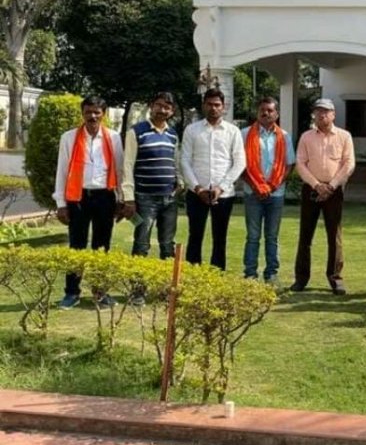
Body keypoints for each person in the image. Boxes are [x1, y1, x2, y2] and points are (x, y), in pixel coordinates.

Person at [53, 95, 124, 309]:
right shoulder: (69, 138)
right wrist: (61, 203)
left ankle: (100, 292)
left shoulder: (113, 137)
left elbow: (119, 170)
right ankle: (72, 292)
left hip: (105, 196)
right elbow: (62, 170)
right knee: (76, 245)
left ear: (103, 114)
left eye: (96, 112)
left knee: (102, 246)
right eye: (88, 112)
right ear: (82, 113)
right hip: (78, 197)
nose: (92, 116)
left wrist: (121, 199)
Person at [292, 98, 355, 295]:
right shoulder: (306, 137)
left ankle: (335, 278)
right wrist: (317, 185)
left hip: (334, 191)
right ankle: (301, 278)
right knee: (305, 235)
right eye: (318, 111)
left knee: (334, 236)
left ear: (333, 114)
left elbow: (349, 163)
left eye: (326, 111)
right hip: (311, 189)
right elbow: (300, 164)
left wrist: (332, 185)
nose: (321, 115)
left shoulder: (344, 136)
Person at [181, 87, 246, 271]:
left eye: (217, 105)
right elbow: (184, 160)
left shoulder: (233, 131)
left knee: (220, 237)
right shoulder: (192, 130)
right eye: (209, 104)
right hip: (197, 192)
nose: (213, 108)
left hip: (223, 194)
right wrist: (197, 188)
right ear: (203, 105)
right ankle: (193, 275)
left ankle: (217, 276)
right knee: (195, 235)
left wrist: (221, 187)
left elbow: (240, 162)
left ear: (223, 107)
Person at [241, 96, 296, 284]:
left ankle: (271, 273)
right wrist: (256, 186)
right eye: (262, 110)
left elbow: (289, 164)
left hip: (276, 194)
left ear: (276, 114)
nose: (266, 113)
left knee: (272, 237)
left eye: (270, 110)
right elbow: (240, 165)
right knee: (253, 236)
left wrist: (273, 186)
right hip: (252, 193)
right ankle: (250, 273)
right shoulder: (244, 134)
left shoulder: (284, 136)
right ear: (257, 113)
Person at [122, 92, 181, 263]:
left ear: (172, 111)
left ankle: (166, 280)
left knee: (168, 245)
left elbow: (175, 162)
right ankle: (137, 281)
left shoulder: (172, 134)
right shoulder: (136, 132)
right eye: (159, 105)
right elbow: (127, 165)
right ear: (151, 106)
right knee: (141, 244)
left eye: (167, 107)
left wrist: (180, 182)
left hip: (170, 198)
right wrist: (129, 198)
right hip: (144, 199)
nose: (162, 110)